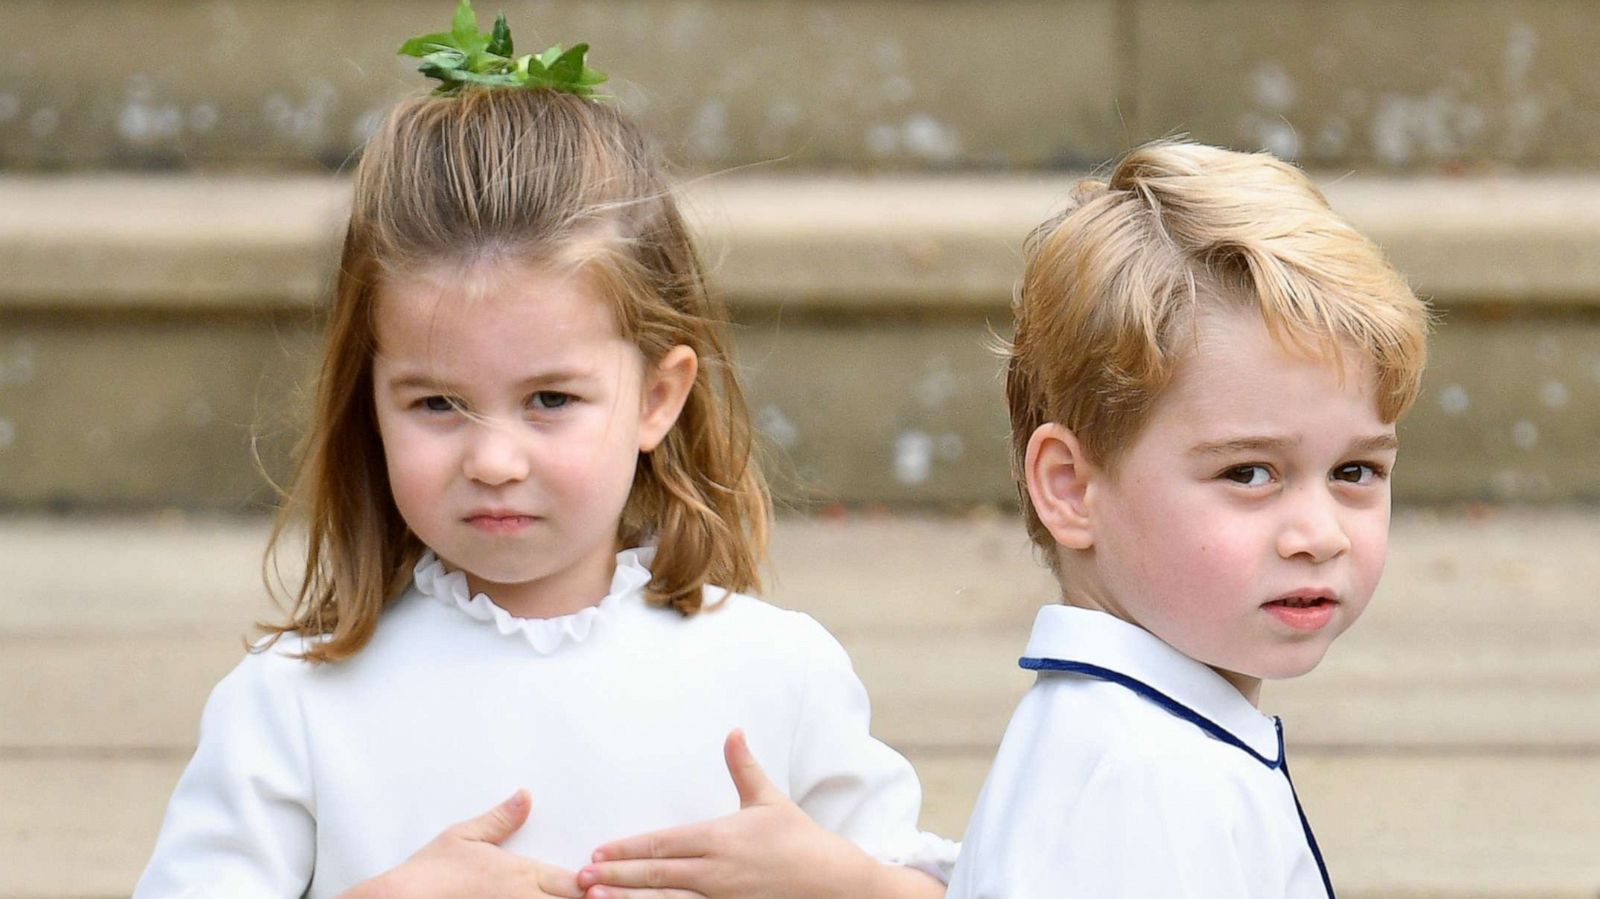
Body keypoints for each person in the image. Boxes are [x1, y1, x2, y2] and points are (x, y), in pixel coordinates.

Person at [133, 5, 953, 897]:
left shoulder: (778, 673)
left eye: (550, 400)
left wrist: (848, 884)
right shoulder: (291, 709)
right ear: (368, 401)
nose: (493, 460)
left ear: (657, 397)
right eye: (437, 402)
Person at [945, 141, 1430, 898]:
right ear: (1071, 488)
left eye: (1354, 471)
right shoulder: (1150, 780)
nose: (1321, 534)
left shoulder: (1132, 739)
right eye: (1249, 473)